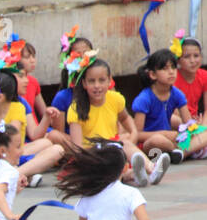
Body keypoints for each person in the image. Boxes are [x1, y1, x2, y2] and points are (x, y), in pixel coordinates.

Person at [67, 54, 164, 186]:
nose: (97, 86)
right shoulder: (76, 108)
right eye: (91, 81)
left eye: (102, 80)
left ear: (109, 81)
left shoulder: (115, 99)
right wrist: (103, 148)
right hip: (90, 156)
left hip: (113, 151)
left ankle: (150, 170)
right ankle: (135, 174)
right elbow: (78, 150)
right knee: (118, 150)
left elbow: (125, 117)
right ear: (84, 83)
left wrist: (133, 132)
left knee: (124, 144)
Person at [133, 48, 203, 163]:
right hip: (150, 145)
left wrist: (194, 127)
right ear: (152, 74)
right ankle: (179, 152)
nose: (171, 72)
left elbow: (187, 123)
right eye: (165, 68)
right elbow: (137, 135)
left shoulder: (177, 94)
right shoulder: (144, 98)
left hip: (172, 138)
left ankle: (178, 153)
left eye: (173, 67)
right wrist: (164, 134)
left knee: (204, 133)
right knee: (157, 140)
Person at [172, 31, 205, 121]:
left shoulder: (204, 76)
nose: (192, 60)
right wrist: (191, 123)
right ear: (178, 61)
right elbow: (173, 110)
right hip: (178, 119)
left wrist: (203, 125)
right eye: (187, 57)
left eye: (196, 56)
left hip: (196, 119)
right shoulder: (172, 78)